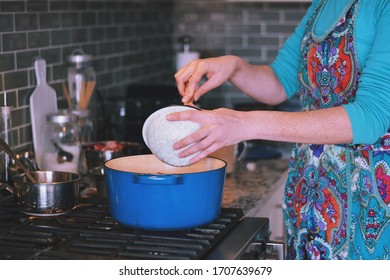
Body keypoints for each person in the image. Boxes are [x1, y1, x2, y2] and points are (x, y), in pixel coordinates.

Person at [169, 0, 390, 260]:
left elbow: (371, 115)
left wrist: (244, 124)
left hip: (366, 205)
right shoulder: (323, 3)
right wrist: (235, 67)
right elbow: (280, 82)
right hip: (311, 196)